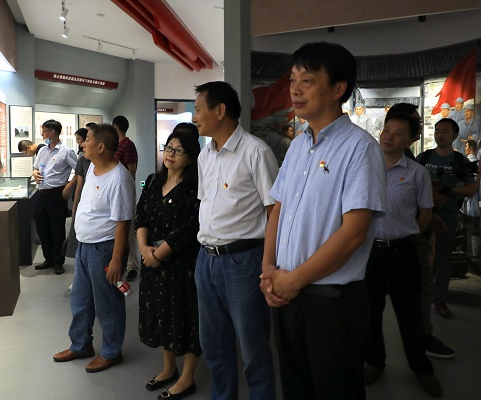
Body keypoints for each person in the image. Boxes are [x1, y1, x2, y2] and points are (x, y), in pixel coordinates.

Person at [261, 41, 386, 400]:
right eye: (293, 79)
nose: (295, 89)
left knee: (334, 390)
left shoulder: (360, 148)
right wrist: (268, 268)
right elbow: (278, 208)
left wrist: (294, 280)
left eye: (307, 80)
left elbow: (354, 234)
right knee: (295, 387)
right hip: (285, 292)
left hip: (330, 302)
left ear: (337, 88)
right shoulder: (298, 146)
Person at [193, 81, 278, 400]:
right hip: (206, 259)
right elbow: (206, 203)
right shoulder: (205, 155)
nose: (195, 117)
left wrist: (269, 263)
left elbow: (274, 210)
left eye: (198, 109)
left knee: (253, 348)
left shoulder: (256, 152)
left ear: (220, 110)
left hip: (243, 261)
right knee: (214, 346)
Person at [363, 112, 441, 397]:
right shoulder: (364, 167)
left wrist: (407, 235)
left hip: (402, 253)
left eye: (398, 133)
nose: (389, 136)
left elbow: (425, 214)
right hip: (369, 253)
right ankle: (375, 361)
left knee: (410, 315)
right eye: (387, 130)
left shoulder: (418, 173)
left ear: (410, 140)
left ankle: (421, 368)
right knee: (370, 314)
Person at [53, 124, 135, 373]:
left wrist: (117, 260)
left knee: (107, 304)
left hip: (104, 250)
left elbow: (123, 223)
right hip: (85, 246)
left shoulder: (119, 179)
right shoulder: (91, 168)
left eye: (87, 139)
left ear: (100, 147)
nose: (82, 144)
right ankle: (81, 345)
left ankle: (111, 352)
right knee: (80, 300)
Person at [136, 123, 202, 400]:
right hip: (152, 259)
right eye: (169, 148)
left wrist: (158, 255)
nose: (171, 154)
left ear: (191, 158)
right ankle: (168, 368)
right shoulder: (153, 180)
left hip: (181, 263)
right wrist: (144, 249)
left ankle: (187, 378)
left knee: (185, 317)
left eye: (179, 151)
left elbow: (189, 228)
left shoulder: (194, 187)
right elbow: (141, 216)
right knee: (161, 314)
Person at [388, 103, 458, 359]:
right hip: (404, 240)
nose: (419, 128)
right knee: (416, 291)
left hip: (415, 236)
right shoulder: (386, 160)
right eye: (415, 122)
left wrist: (429, 213)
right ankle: (419, 341)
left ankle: (420, 341)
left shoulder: (411, 161)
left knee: (420, 289)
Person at [416, 118, 476, 319]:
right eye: (437, 130)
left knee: (443, 260)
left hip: (448, 215)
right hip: (423, 214)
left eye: (445, 131)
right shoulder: (424, 158)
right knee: (418, 257)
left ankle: (439, 299)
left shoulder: (460, 161)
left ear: (455, 135)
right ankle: (418, 296)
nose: (440, 134)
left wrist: (449, 190)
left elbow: (470, 189)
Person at [32, 119, 77, 275]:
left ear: (52, 132)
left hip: (56, 194)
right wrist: (35, 174)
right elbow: (35, 168)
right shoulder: (43, 151)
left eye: (44, 131)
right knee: (42, 227)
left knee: (57, 229)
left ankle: (58, 261)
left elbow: (80, 171)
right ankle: (49, 258)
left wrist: (68, 187)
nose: (42, 134)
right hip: (41, 193)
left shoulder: (66, 151)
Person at [112, 115, 141, 282]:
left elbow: (132, 170)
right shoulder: (115, 145)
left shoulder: (128, 145)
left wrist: (126, 190)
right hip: (115, 192)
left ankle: (133, 266)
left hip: (125, 192)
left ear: (116, 125)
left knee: (129, 230)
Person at [62, 128, 91, 259]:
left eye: (81, 140)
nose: (81, 144)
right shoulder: (82, 160)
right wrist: (75, 207)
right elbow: (80, 185)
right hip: (83, 202)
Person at [462, 139, 481, 273]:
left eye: (466, 146)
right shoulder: (476, 164)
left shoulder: (468, 164)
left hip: (469, 202)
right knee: (473, 231)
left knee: (471, 232)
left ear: (471, 149)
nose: (465, 149)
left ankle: (473, 261)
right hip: (473, 202)